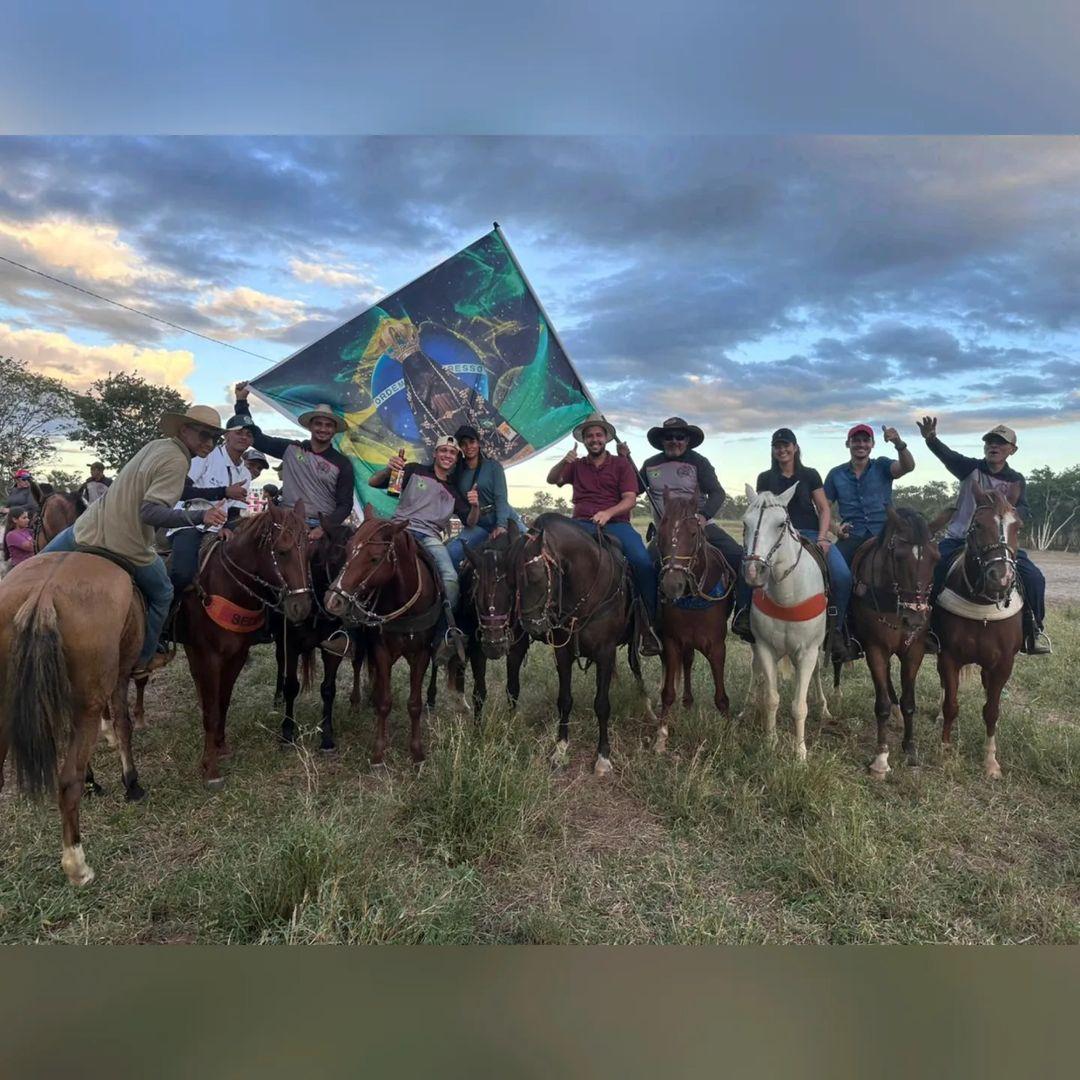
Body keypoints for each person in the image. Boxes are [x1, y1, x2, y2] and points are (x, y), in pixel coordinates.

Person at [41, 405, 228, 678]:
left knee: (34, 566)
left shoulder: (157, 445)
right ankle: (143, 658)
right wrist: (202, 515)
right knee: (164, 592)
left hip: (87, 528)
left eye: (215, 437)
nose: (209, 443)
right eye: (204, 435)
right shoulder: (177, 461)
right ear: (184, 429)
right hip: (126, 544)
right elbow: (150, 512)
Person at [918, 416, 1050, 654]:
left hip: (999, 543)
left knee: (1034, 579)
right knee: (934, 572)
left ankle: (1033, 630)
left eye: (1000, 443)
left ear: (1012, 450)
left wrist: (1011, 511)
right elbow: (948, 456)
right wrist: (931, 439)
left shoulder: (1016, 479)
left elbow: (1025, 509)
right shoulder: (970, 468)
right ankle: (929, 630)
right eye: (990, 442)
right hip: (960, 538)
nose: (993, 446)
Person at [731, 427, 857, 662]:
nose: (782, 449)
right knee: (746, 565)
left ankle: (836, 629)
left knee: (842, 576)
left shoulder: (809, 475)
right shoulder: (765, 478)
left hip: (809, 533)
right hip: (775, 537)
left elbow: (823, 508)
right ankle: (744, 613)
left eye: (786, 445)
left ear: (795, 447)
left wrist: (822, 538)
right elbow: (760, 512)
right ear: (773, 450)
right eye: (777, 446)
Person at [547, 412, 661, 655]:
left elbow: (630, 499)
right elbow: (552, 479)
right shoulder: (576, 465)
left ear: (607, 438)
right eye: (589, 436)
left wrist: (608, 514)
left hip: (617, 523)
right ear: (585, 440)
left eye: (599, 435)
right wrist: (564, 461)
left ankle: (649, 625)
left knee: (642, 563)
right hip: (581, 523)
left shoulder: (621, 464)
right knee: (550, 557)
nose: (594, 439)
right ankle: (548, 617)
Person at [369, 435, 480, 662]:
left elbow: (470, 521)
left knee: (450, 578)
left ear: (456, 458)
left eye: (452, 452)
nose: (447, 455)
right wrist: (388, 469)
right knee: (367, 563)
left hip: (430, 537)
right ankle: (354, 629)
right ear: (435, 453)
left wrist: (476, 505)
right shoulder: (413, 470)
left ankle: (442, 635)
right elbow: (375, 483)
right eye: (444, 451)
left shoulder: (454, 492)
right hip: (401, 529)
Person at [233, 382, 354, 541]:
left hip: (322, 530)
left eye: (328, 425)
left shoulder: (342, 464)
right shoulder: (291, 449)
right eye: (318, 423)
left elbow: (345, 505)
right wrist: (241, 401)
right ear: (310, 426)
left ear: (334, 430)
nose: (323, 429)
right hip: (286, 524)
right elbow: (258, 439)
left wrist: (323, 528)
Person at [638, 415, 744, 577]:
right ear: (662, 440)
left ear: (687, 440)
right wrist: (625, 460)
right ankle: (647, 603)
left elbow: (717, 493)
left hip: (699, 525)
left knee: (738, 556)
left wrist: (703, 516)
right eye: (669, 437)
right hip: (665, 530)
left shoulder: (699, 462)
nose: (674, 441)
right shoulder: (650, 464)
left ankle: (741, 602)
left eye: (680, 437)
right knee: (644, 567)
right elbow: (632, 490)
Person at [167, 412, 255, 594]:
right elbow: (180, 491)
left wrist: (229, 527)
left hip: (217, 529)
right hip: (189, 523)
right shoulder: (206, 456)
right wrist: (224, 491)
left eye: (249, 434)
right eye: (239, 432)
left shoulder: (245, 473)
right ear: (226, 435)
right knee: (183, 574)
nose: (244, 437)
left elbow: (236, 512)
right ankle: (167, 614)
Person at [824, 423, 915, 566]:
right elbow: (823, 508)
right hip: (851, 536)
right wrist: (836, 530)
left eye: (866, 440)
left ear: (873, 444)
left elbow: (908, 466)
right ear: (848, 444)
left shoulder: (882, 465)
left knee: (912, 568)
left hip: (885, 534)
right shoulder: (836, 474)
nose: (861, 444)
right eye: (856, 440)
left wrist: (899, 443)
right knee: (834, 571)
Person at [445, 423, 525, 565]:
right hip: (479, 524)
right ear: (460, 448)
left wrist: (501, 525)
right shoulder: (457, 473)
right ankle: (455, 586)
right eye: (463, 444)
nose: (469, 447)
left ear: (479, 442)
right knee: (452, 552)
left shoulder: (493, 466)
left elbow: (501, 498)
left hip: (504, 517)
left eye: (472, 442)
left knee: (530, 548)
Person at [2, 507, 34, 574]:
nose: (28, 520)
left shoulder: (28, 531)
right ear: (15, 520)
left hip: (32, 565)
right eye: (24, 518)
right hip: (21, 569)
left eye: (27, 517)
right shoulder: (11, 535)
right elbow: (30, 547)